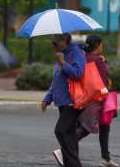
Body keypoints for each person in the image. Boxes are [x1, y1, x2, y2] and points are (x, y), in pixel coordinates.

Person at [52, 35, 119, 167]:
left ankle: (105, 157)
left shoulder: (84, 57)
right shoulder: (96, 60)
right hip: (97, 99)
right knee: (85, 127)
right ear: (98, 45)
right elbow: (102, 81)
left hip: (86, 97)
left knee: (102, 126)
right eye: (102, 45)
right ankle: (64, 151)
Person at [41, 33, 86, 167]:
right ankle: (69, 163)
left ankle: (74, 164)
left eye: (55, 43)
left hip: (73, 101)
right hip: (62, 101)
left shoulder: (76, 53)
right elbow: (57, 79)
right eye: (52, 43)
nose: (53, 45)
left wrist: (63, 63)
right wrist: (47, 99)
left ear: (65, 41)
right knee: (70, 135)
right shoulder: (61, 54)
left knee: (60, 131)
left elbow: (78, 74)